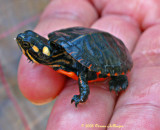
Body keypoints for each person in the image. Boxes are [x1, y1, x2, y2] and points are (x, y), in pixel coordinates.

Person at [18, 0, 160, 129]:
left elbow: (82, 72)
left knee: (83, 69)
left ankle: (119, 77)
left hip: (111, 52)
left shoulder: (61, 55)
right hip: (83, 41)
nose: (21, 40)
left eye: (26, 45)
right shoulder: (56, 53)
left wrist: (83, 95)